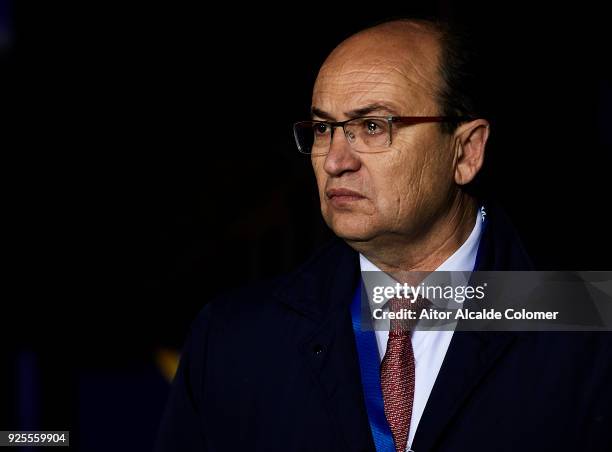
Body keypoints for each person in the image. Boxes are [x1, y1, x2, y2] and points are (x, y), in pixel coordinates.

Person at [156, 19, 611, 452]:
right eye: (322, 129)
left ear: (466, 151)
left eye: (373, 126)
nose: (335, 161)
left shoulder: (586, 325)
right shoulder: (235, 340)